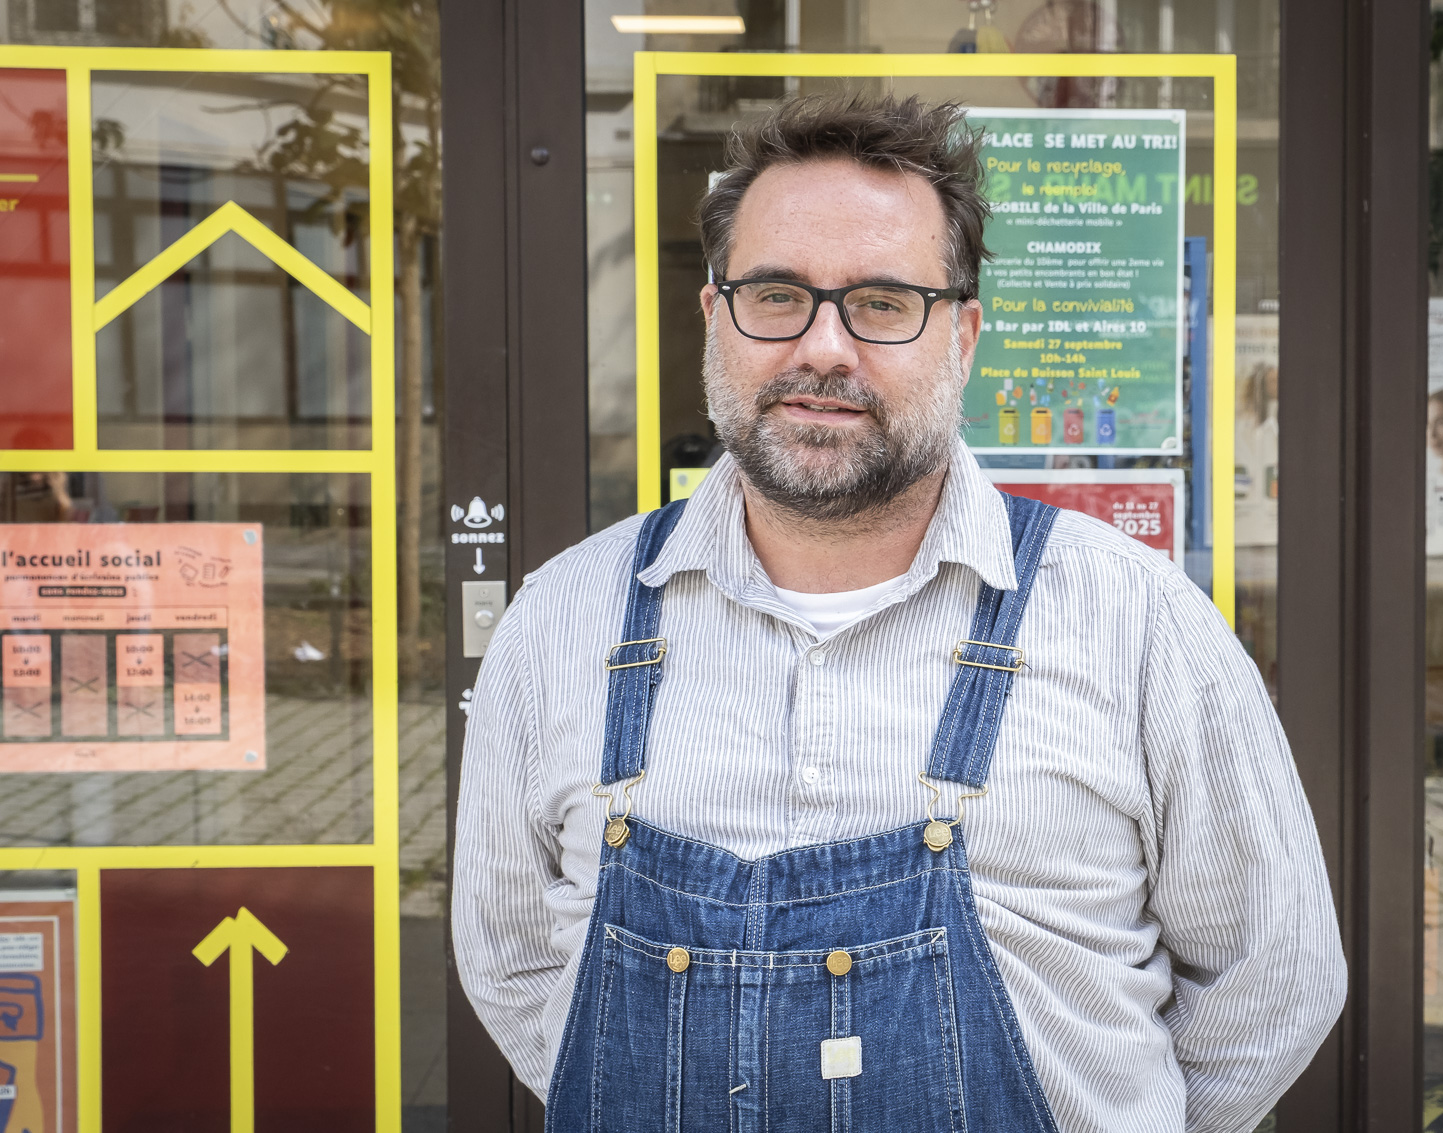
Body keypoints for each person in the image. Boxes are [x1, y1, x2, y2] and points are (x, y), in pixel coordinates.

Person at [454, 93, 1345, 1133]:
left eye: (882, 302)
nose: (824, 346)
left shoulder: (1137, 621)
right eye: (777, 295)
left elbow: (1273, 980)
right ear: (714, 317)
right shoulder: (562, 622)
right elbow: (511, 961)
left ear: (962, 335)